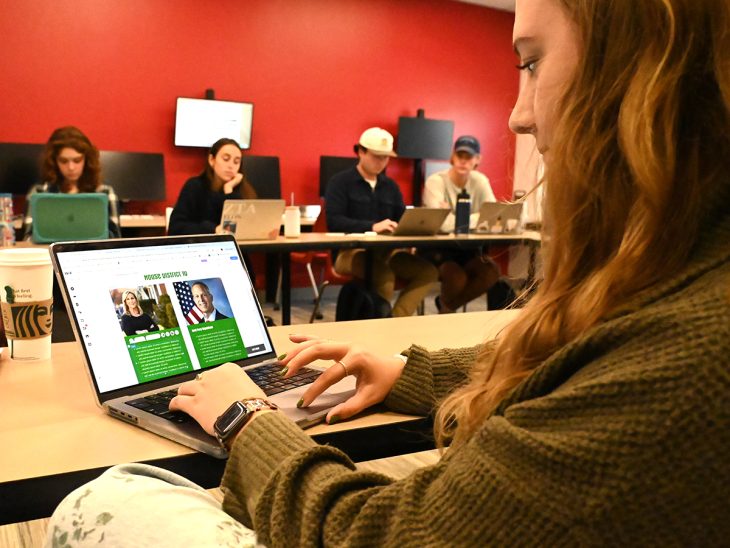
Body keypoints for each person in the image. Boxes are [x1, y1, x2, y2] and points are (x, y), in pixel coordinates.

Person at [46, 0, 730, 545]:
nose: (520, 116)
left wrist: (249, 420)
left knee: (103, 497)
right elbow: (589, 366)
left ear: (648, 74)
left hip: (371, 267)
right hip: (345, 255)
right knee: (395, 276)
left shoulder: (687, 370)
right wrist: (414, 374)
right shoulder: (686, 295)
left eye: (530, 62)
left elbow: (388, 531)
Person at [324, 127, 438, 317]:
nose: (381, 162)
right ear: (361, 151)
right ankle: (381, 325)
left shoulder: (391, 186)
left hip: (386, 252)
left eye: (385, 158)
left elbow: (402, 219)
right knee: (384, 276)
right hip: (349, 254)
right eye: (377, 156)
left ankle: (394, 320)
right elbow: (334, 221)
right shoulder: (340, 182)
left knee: (428, 272)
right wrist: (372, 227)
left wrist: (416, 227)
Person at [422, 135, 502, 312]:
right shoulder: (435, 181)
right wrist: (476, 217)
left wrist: (454, 216)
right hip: (437, 250)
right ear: (452, 157)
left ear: (477, 160)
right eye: (460, 156)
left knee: (491, 271)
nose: (463, 161)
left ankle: (446, 308)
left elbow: (493, 216)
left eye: (469, 157)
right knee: (456, 277)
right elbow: (441, 224)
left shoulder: (480, 181)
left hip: (469, 250)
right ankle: (448, 312)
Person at [22, 126, 121, 240]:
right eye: (63, 161)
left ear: (87, 160)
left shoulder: (105, 192)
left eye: (77, 160)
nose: (71, 167)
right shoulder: (39, 193)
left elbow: (115, 241)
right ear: (54, 161)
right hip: (49, 255)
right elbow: (27, 240)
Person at [168, 138, 257, 236]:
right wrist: (212, 229)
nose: (231, 166)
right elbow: (176, 227)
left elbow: (242, 228)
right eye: (226, 159)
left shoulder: (243, 190)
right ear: (211, 160)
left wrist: (229, 191)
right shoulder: (194, 186)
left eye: (236, 162)